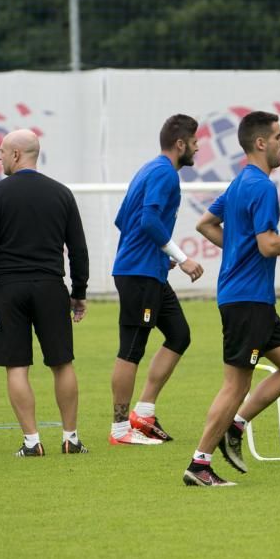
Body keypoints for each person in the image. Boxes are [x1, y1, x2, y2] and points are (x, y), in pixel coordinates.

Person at [184, 111, 280, 487]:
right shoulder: (260, 187)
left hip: (252, 298)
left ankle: (237, 425)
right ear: (261, 143)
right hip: (247, 300)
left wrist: (238, 250)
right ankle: (199, 464)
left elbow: (205, 224)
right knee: (235, 385)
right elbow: (268, 245)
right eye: (278, 136)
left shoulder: (241, 182)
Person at [0, 129, 90, 457]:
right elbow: (78, 250)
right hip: (51, 287)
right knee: (62, 363)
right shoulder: (62, 194)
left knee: (17, 367)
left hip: (9, 289)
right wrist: (78, 292)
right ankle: (71, 438)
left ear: (17, 155)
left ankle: (32, 442)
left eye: (2, 151)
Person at [109, 114, 205, 446]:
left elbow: (123, 220)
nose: (197, 146)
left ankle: (144, 414)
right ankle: (120, 430)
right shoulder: (164, 173)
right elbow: (148, 220)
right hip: (139, 274)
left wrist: (161, 255)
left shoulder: (149, 169)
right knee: (131, 349)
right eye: (194, 141)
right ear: (180, 144)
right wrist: (181, 256)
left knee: (179, 334)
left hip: (147, 271)